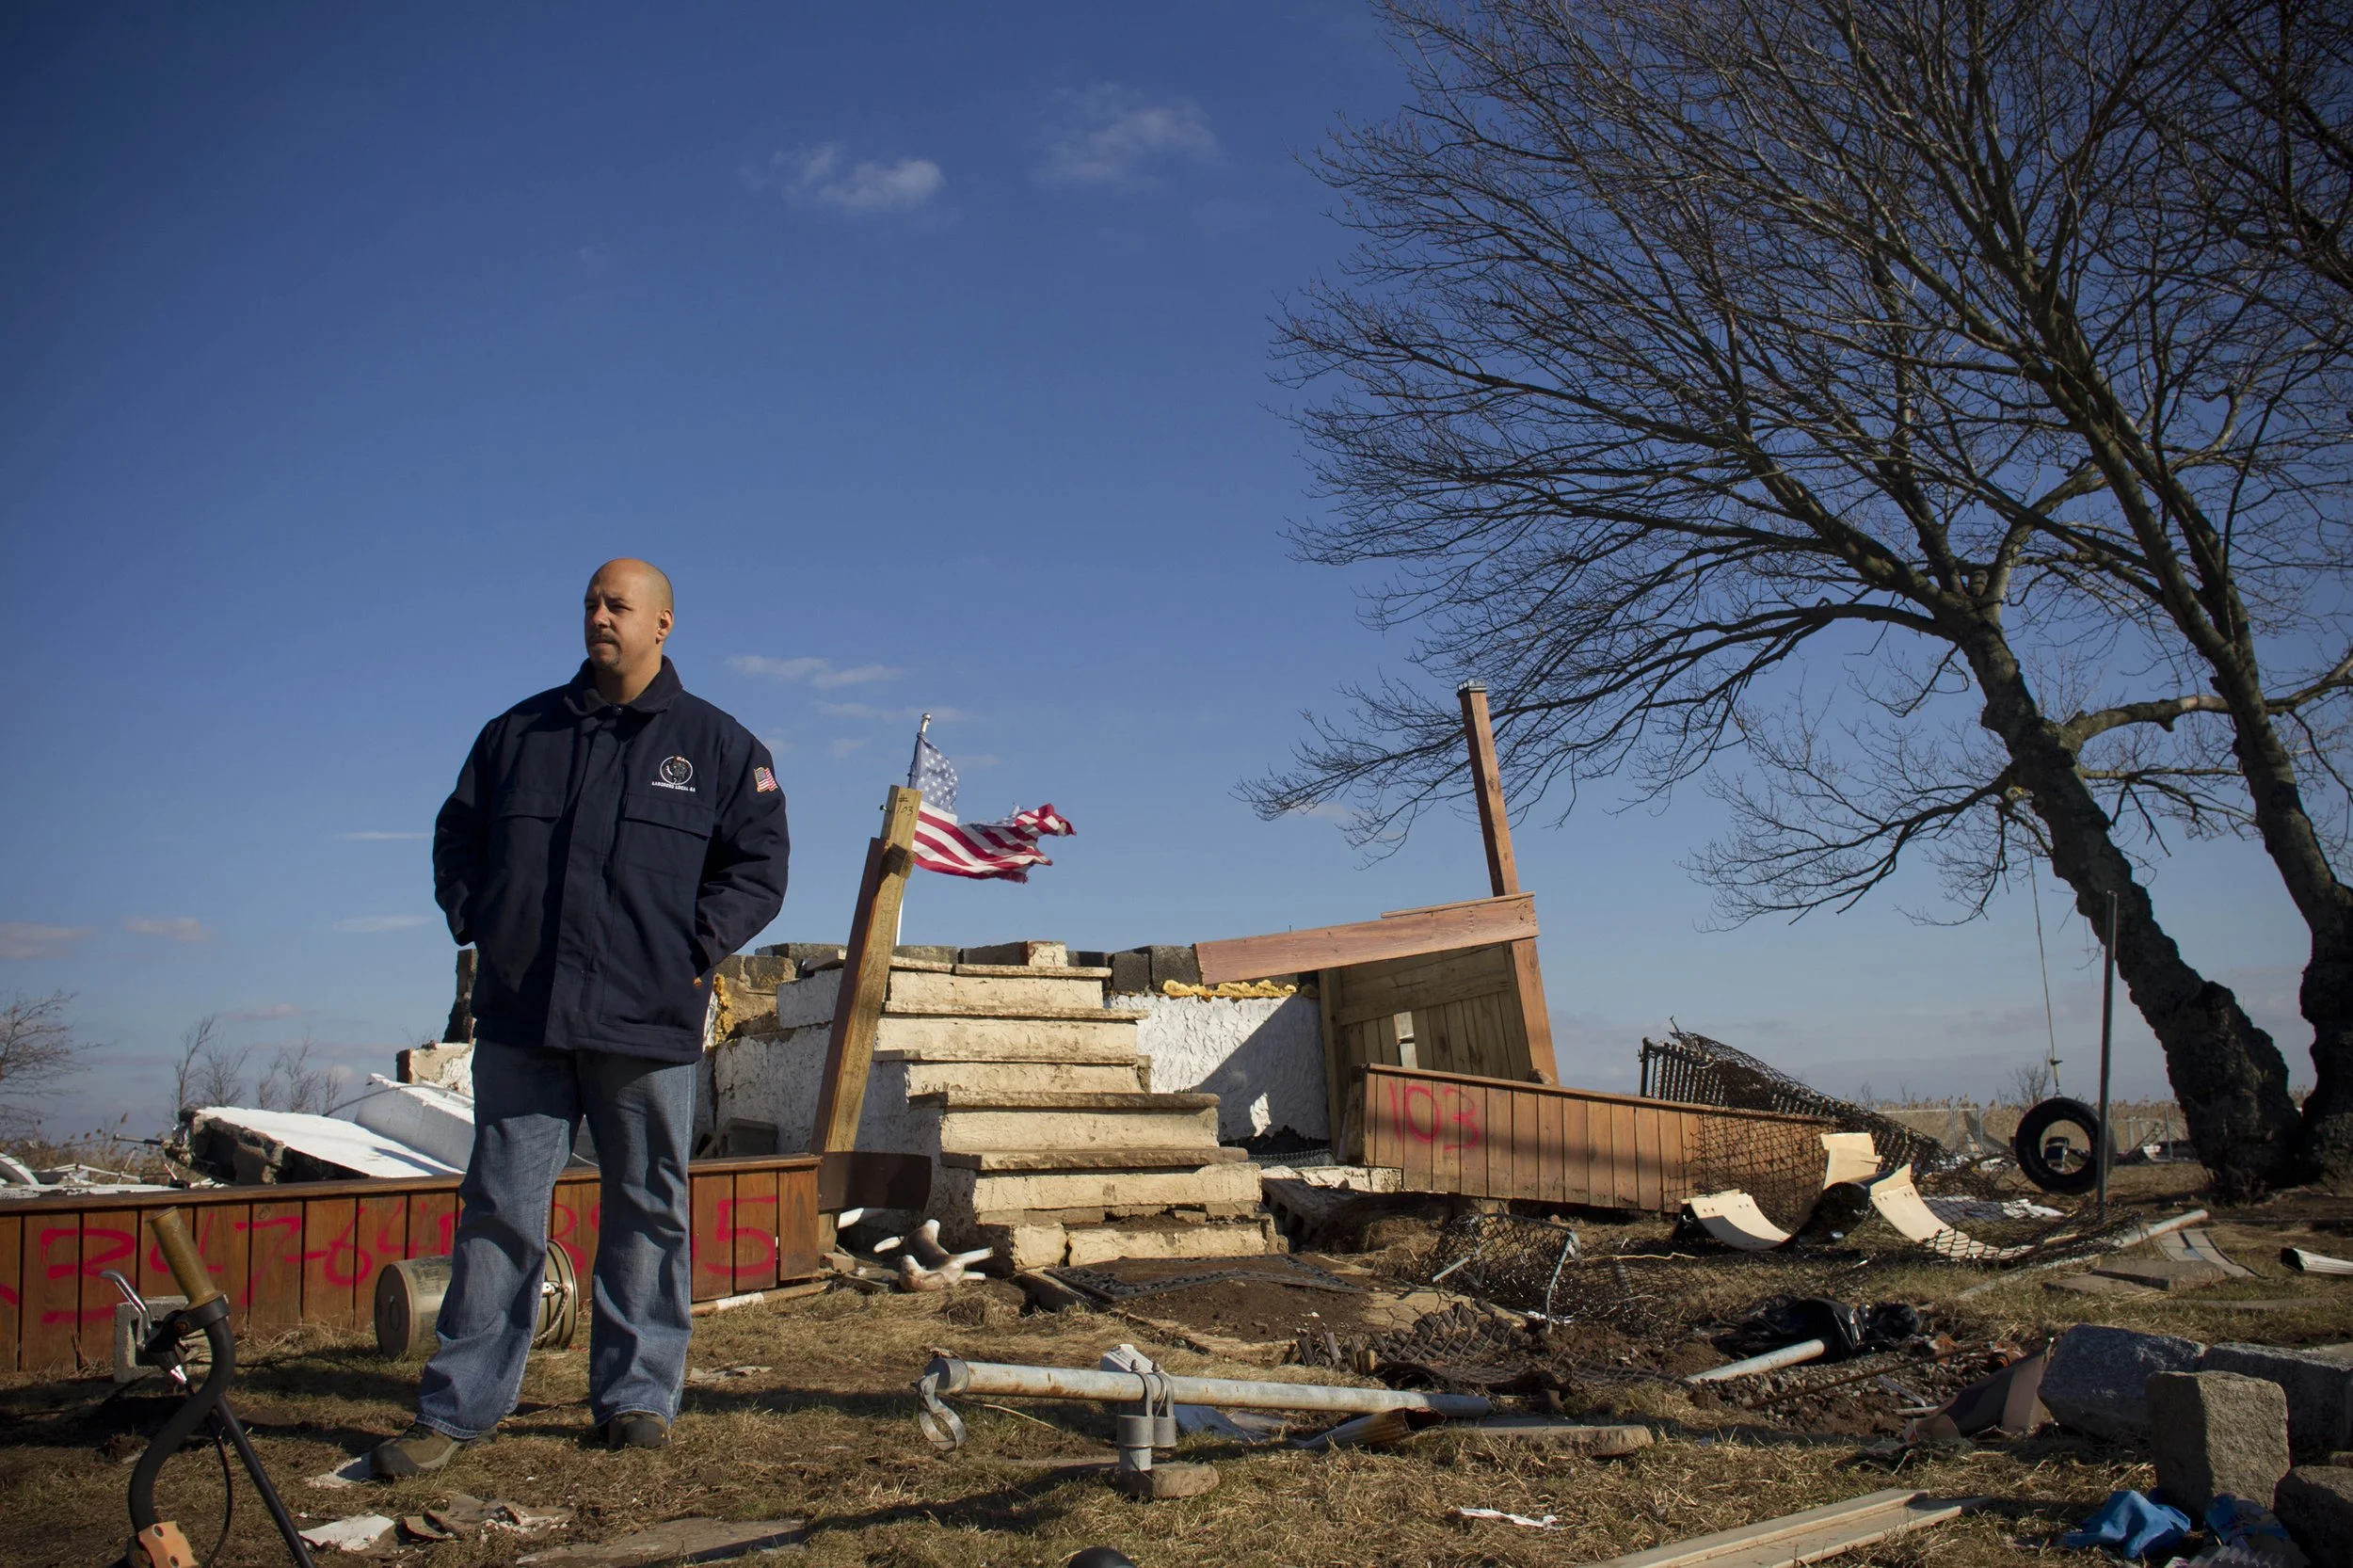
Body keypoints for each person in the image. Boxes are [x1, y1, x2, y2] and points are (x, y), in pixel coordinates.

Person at [373, 558, 789, 1475]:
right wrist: (477, 917)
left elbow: (759, 868)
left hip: (645, 1023)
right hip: (525, 1018)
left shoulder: (718, 746)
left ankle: (636, 1396)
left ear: (664, 623)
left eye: (619, 605)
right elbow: (459, 835)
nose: (600, 616)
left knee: (647, 1210)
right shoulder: (518, 734)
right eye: (591, 603)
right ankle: (458, 1408)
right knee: (499, 1211)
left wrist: (691, 947)